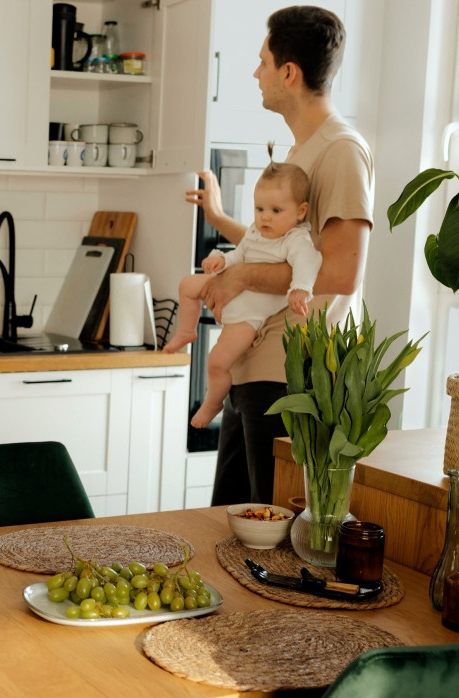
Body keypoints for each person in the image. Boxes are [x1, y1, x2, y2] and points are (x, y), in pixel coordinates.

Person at [184, 5, 374, 506]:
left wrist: (241, 274)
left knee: (264, 530)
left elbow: (340, 272)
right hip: (255, 367)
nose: (255, 73)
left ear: (288, 73)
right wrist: (224, 224)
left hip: (291, 372)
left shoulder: (341, 152)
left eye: (262, 61)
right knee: (230, 521)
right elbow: (286, 247)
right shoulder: (302, 152)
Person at [166, 157, 321, 430]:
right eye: (259, 208)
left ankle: (212, 401)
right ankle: (186, 331)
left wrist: (300, 289)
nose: (264, 216)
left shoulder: (295, 240)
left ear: (300, 211)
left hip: (249, 316)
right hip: (234, 289)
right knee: (187, 285)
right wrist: (222, 261)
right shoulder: (256, 231)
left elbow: (308, 263)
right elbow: (241, 253)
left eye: (275, 210)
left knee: (216, 362)